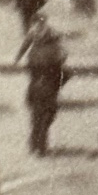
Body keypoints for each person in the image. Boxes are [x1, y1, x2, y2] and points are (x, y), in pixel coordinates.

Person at [16, 13, 69, 156]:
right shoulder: (52, 38)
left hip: (37, 85)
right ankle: (40, 146)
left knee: (37, 117)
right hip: (47, 86)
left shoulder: (35, 36)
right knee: (45, 116)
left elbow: (25, 46)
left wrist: (18, 58)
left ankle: (35, 145)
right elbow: (63, 56)